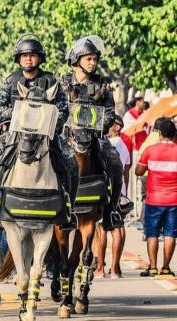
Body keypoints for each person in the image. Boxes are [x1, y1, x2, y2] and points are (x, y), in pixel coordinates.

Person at [0, 34, 77, 226]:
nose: (28, 59)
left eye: (32, 55)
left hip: (46, 137)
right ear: (18, 59)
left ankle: (68, 209)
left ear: (40, 58)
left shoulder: (52, 81)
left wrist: (47, 126)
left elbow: (63, 111)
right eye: (24, 55)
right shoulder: (11, 81)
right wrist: (20, 113)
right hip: (15, 134)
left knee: (71, 162)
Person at [59, 36, 127, 228]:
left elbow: (110, 114)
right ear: (76, 60)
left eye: (95, 59)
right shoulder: (61, 83)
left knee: (114, 161)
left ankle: (112, 211)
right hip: (64, 138)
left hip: (94, 138)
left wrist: (97, 127)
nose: (93, 63)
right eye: (88, 59)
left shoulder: (102, 85)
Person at [136, 118, 177, 277]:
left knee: (152, 233)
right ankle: (166, 267)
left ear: (159, 134)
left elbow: (138, 171)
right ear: (174, 135)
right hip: (174, 200)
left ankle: (152, 267)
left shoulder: (150, 150)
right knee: (170, 234)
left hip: (154, 200)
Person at [96, 115, 130, 278]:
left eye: (112, 125)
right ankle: (115, 269)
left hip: (108, 189)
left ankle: (101, 268)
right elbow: (127, 171)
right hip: (120, 189)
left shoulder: (111, 143)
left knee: (104, 228)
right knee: (118, 228)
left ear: (117, 127)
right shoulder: (122, 144)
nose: (109, 127)